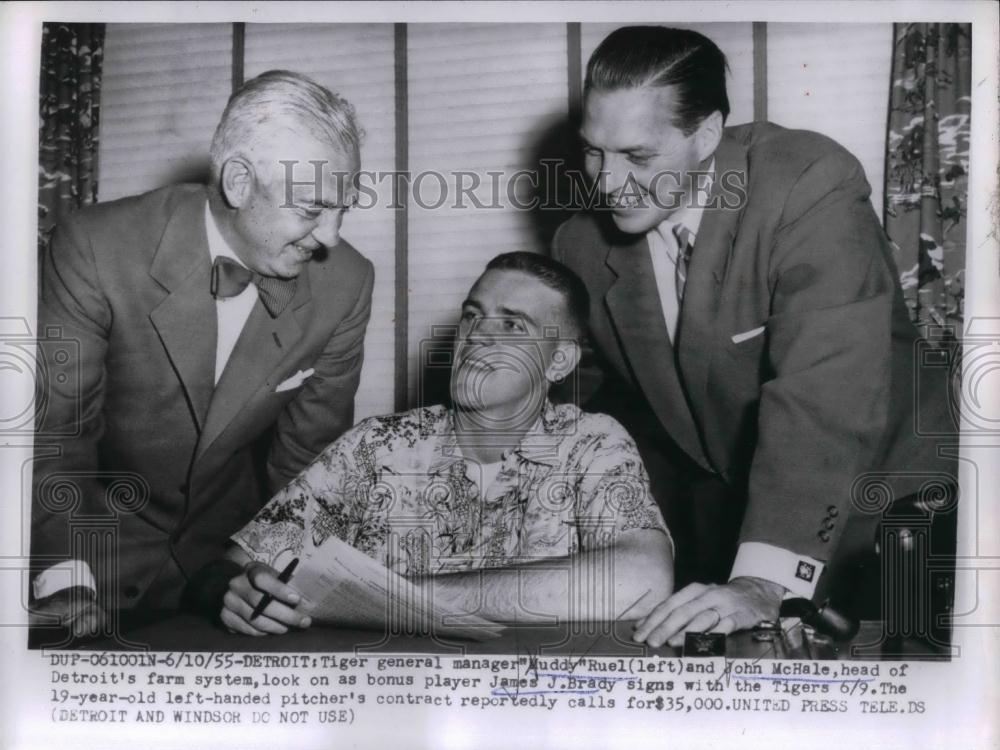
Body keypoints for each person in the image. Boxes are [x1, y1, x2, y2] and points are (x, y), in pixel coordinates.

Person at [552, 26, 957, 648]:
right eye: (593, 152)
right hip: (748, 519)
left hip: (903, 509)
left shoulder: (807, 183)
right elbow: (609, 410)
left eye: (637, 157)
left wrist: (766, 580)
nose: (607, 184)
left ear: (707, 135)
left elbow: (825, 392)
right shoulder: (581, 245)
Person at [30, 70, 375, 637]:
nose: (332, 238)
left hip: (225, 573)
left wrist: (258, 572)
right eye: (314, 209)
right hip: (86, 558)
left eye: (345, 209)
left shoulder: (347, 283)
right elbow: (56, 436)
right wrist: (66, 577)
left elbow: (309, 468)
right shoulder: (95, 246)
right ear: (239, 182)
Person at [208, 252, 673, 636]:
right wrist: (237, 588)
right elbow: (229, 566)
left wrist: (389, 601)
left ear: (560, 362)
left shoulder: (591, 444)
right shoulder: (377, 445)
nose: (478, 336)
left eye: (513, 326)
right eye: (473, 316)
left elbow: (644, 580)